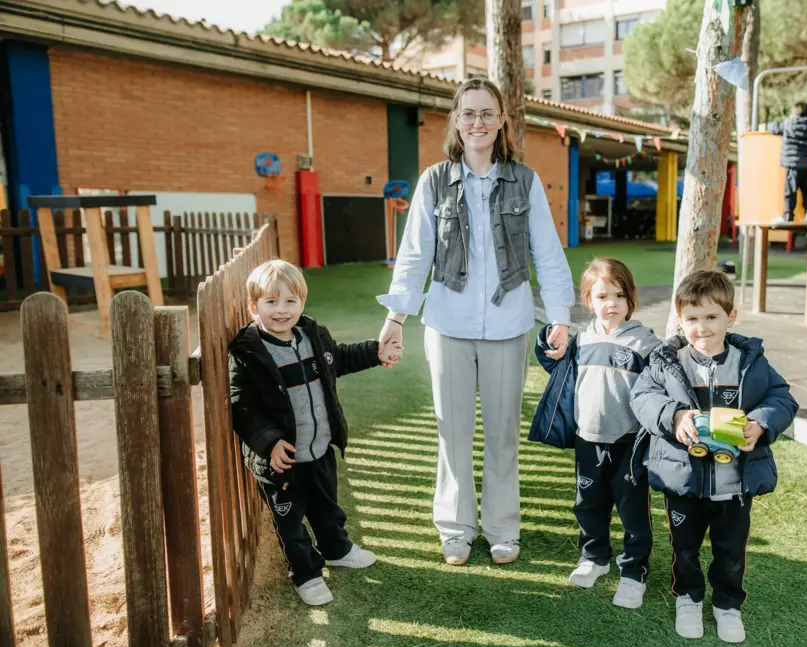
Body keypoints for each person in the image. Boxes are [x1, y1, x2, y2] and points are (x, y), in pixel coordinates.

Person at [377, 78, 574, 566]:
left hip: (509, 326)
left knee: (503, 434)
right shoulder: (434, 181)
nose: (478, 122)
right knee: (453, 433)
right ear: (456, 121)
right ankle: (456, 529)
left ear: (501, 119)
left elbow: (548, 255)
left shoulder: (525, 180)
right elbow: (415, 254)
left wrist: (560, 318)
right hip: (447, 326)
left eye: (487, 113)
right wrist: (396, 317)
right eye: (469, 113)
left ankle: (503, 528)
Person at [630, 270, 798, 644]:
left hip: (734, 482)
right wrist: (674, 416)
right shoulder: (667, 361)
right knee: (684, 547)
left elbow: (782, 397)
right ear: (680, 318)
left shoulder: (748, 362)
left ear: (730, 317)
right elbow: (642, 397)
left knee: (731, 550)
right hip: (683, 479)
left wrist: (761, 423)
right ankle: (688, 598)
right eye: (692, 318)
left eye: (711, 317)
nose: (701, 327)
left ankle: (727, 603)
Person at [229, 259, 401, 606]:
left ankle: (337, 550)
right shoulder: (249, 352)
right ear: (253, 306)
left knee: (327, 508)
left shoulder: (311, 335)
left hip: (319, 449)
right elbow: (241, 406)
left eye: (290, 301)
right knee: (291, 523)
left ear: (302, 303)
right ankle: (306, 574)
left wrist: (375, 351)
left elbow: (338, 358)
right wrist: (269, 443)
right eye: (271, 302)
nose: (282, 310)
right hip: (281, 461)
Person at [529, 258, 660, 609]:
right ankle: (594, 557)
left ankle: (634, 571)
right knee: (588, 504)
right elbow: (557, 366)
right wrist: (546, 344)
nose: (611, 304)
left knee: (633, 510)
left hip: (629, 443)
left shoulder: (645, 343)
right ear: (589, 300)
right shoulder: (582, 339)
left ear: (631, 298)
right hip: (588, 439)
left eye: (619, 295)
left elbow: (661, 387)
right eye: (602, 296)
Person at [768, 102, 807, 224]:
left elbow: (774, 127)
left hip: (793, 167)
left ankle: (788, 215)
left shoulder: (787, 125)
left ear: (793, 114)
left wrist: (768, 126)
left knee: (790, 192)